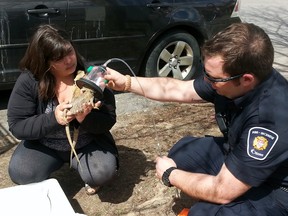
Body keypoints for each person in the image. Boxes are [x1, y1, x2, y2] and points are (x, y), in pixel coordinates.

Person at [104, 22, 288, 215]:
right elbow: (181, 90)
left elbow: (222, 191)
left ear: (246, 79)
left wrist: (170, 175)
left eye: (213, 78)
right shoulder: (232, 78)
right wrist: (127, 83)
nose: (206, 81)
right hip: (242, 157)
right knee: (182, 154)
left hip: (277, 187)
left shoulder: (269, 120)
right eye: (205, 71)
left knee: (202, 212)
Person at [7, 24, 119, 195]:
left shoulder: (92, 76)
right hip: (45, 145)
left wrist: (85, 119)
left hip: (86, 143)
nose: (69, 60)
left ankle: (88, 174)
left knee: (102, 173)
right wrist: (54, 119)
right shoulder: (29, 80)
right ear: (44, 62)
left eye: (70, 51)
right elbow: (17, 125)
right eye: (59, 58)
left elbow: (108, 119)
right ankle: (49, 166)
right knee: (21, 172)